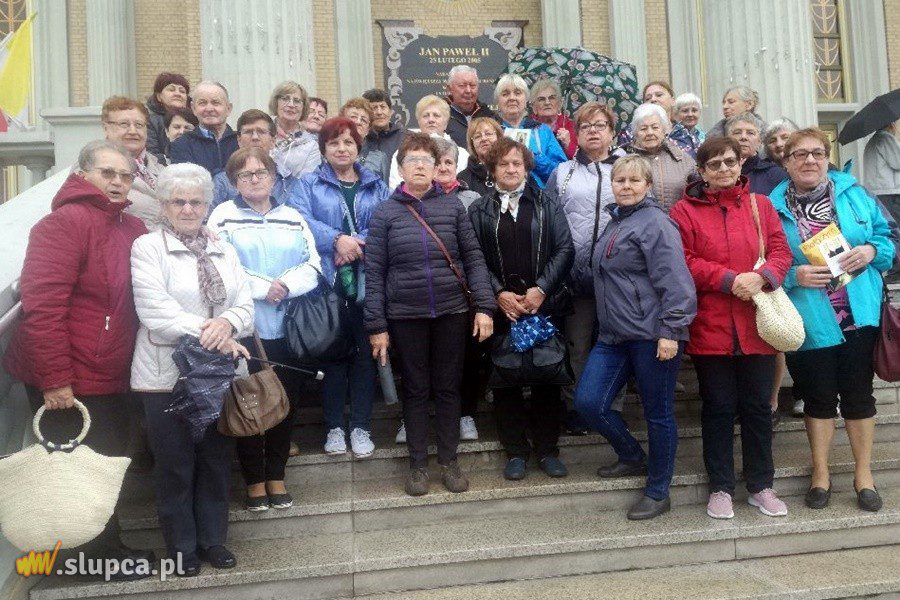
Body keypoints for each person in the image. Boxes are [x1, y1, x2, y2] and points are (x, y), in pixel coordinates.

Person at [3, 140, 152, 578]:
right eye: (108, 172)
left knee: (103, 464)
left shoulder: (132, 228)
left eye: (125, 176)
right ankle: (89, 560)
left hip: (111, 371)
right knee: (81, 471)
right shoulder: (62, 224)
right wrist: (54, 379)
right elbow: (42, 306)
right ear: (82, 174)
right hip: (69, 377)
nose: (118, 182)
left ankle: (105, 549)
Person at [131, 162, 254, 576]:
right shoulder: (147, 248)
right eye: (178, 201)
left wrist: (229, 324)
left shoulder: (223, 247)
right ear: (164, 206)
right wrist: (214, 330)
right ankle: (181, 548)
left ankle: (212, 541)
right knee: (176, 465)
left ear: (207, 205)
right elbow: (156, 313)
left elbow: (245, 305)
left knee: (216, 462)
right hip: (165, 377)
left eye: (196, 201)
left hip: (216, 377)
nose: (187, 208)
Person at [769, 128, 895, 513]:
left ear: (828, 157)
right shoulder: (769, 207)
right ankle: (820, 474)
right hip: (809, 317)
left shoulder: (855, 194)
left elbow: (890, 239)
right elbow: (762, 260)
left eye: (818, 153)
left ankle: (864, 476)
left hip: (859, 313)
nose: (810, 160)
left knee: (859, 395)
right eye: (800, 154)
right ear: (786, 162)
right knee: (819, 397)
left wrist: (871, 250)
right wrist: (793, 276)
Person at [670, 136, 793, 520]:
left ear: (741, 164)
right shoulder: (683, 211)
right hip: (712, 324)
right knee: (719, 408)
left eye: (729, 162)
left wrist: (763, 278)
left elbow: (780, 251)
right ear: (702, 171)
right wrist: (727, 279)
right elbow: (683, 260)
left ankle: (761, 485)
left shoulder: (760, 205)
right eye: (714, 164)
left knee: (758, 407)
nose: (723, 169)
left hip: (757, 324)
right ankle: (721, 486)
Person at [365, 133, 495, 496]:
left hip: (452, 312)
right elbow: (374, 273)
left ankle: (449, 461)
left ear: (438, 167)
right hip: (406, 316)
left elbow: (473, 259)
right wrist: (377, 325)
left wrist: (484, 307)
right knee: (417, 390)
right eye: (413, 160)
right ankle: (418, 465)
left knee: (448, 387)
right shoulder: (386, 213)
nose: (421, 166)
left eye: (427, 160)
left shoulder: (453, 207)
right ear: (401, 168)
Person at [575, 155, 696, 520]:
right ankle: (631, 456)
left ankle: (659, 491)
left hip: (653, 335)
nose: (625, 186)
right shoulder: (616, 222)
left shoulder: (656, 223)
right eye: (620, 180)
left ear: (647, 186)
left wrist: (672, 330)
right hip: (613, 335)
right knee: (589, 403)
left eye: (633, 181)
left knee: (658, 414)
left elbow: (676, 280)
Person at [208, 147, 322, 512]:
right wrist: (262, 287)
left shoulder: (292, 216)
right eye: (245, 175)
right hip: (245, 329)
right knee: (249, 403)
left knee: (283, 405)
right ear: (233, 181)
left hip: (288, 328)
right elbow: (217, 265)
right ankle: (254, 481)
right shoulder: (222, 217)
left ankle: (277, 476)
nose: (254, 179)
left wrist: (285, 285)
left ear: (273, 178)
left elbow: (313, 263)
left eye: (261, 173)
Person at [468, 136, 574, 480]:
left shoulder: (547, 203)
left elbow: (565, 249)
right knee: (506, 380)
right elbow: (474, 259)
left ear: (526, 167)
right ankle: (515, 452)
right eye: (503, 164)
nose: (511, 169)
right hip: (504, 310)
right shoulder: (479, 210)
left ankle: (547, 450)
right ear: (492, 170)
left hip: (543, 305)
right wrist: (498, 294)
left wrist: (541, 289)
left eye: (517, 163)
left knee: (547, 377)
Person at [290, 117, 390, 457]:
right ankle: (334, 427)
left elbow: (386, 221)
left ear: (358, 147)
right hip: (328, 282)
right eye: (334, 143)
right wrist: (337, 239)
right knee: (334, 357)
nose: (342, 148)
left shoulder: (376, 184)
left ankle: (360, 426)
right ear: (324, 149)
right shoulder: (307, 183)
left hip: (369, 279)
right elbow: (300, 220)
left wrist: (356, 243)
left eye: (348, 142)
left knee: (365, 356)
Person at [544, 102, 625, 411]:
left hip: (616, 275)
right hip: (575, 274)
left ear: (612, 132)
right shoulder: (563, 172)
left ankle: (611, 408)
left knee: (615, 342)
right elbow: (550, 221)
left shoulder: (626, 169)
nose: (593, 131)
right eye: (586, 126)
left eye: (600, 125)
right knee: (577, 345)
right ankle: (577, 407)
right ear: (576, 133)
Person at [210, 110, 294, 210]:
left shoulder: (287, 180)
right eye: (248, 132)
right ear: (239, 140)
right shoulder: (223, 182)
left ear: (273, 140)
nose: (255, 137)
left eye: (261, 132)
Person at [101, 96, 164, 230]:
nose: (133, 131)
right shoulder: (93, 166)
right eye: (124, 124)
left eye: (139, 125)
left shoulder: (161, 168)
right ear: (106, 128)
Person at [494, 74, 567, 188]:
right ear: (498, 101)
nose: (512, 98)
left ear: (526, 99)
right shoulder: (491, 132)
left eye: (518, 93)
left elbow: (562, 174)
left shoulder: (542, 131)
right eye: (505, 94)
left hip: (537, 200)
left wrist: (535, 159)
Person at [624, 103, 696, 212]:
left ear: (664, 130)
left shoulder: (683, 160)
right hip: (640, 227)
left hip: (678, 226)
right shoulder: (625, 160)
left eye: (655, 127)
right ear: (635, 133)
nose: (649, 133)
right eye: (643, 129)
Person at [388, 95, 470, 189]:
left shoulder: (462, 154)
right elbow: (396, 187)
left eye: (436, 115)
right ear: (418, 121)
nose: (431, 120)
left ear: (446, 122)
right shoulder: (402, 152)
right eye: (426, 116)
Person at [170, 81, 238, 176]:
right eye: (202, 103)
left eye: (215, 103)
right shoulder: (181, 145)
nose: (209, 109)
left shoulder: (241, 142)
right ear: (193, 108)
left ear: (228, 108)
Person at [621, 81, 697, 157]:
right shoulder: (629, 132)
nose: (653, 99)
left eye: (659, 95)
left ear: (673, 100)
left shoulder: (685, 133)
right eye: (648, 98)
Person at [268, 81, 322, 179]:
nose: (291, 105)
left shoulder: (311, 145)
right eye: (285, 99)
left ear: (304, 107)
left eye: (297, 101)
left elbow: (307, 183)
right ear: (276, 103)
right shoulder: (262, 132)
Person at [727, 112, 788, 196]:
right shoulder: (718, 172)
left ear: (759, 141)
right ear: (728, 139)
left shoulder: (776, 175)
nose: (743, 137)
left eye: (750, 133)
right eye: (737, 132)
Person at [445, 65, 499, 149]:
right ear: (449, 89)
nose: (468, 90)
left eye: (472, 85)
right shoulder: (440, 116)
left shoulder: (490, 116)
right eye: (462, 86)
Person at [341, 97, 390, 181]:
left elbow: (384, 190)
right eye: (353, 117)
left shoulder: (379, 158)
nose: (358, 122)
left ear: (368, 129)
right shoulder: (331, 153)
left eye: (363, 120)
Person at [145, 72, 190, 161]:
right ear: (159, 96)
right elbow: (151, 154)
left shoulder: (196, 120)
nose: (177, 94)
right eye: (171, 89)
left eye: (182, 91)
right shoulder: (149, 121)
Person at [863, 119, 900, 228]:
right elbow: (898, 162)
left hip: (876, 192)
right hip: (889, 193)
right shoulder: (885, 138)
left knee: (885, 227)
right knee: (895, 228)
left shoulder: (873, 140)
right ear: (891, 124)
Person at [530, 79, 577, 159]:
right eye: (541, 99)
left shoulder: (572, 127)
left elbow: (582, 159)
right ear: (534, 106)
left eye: (552, 98)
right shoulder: (527, 127)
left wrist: (568, 144)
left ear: (559, 104)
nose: (547, 102)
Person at [458, 116, 504, 196]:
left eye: (488, 134)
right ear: (472, 144)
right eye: (477, 136)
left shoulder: (511, 169)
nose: (483, 139)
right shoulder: (463, 179)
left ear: (499, 137)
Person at [363, 88, 405, 163]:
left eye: (383, 107)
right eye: (374, 108)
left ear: (391, 111)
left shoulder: (406, 138)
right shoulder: (359, 140)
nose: (379, 112)